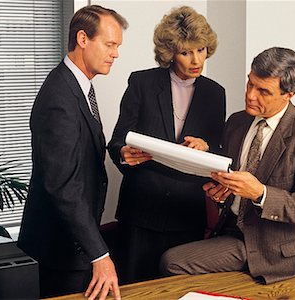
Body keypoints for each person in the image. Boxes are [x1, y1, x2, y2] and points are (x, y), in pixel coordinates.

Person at [160, 47, 295, 284]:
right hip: (230, 230)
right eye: (250, 84)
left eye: (263, 91)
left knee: (172, 261)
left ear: (288, 94)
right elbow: (231, 173)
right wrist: (219, 190)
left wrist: (261, 194)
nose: (251, 95)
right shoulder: (237, 122)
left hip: (272, 248)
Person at [107, 6, 226, 284]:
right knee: (135, 288)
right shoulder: (142, 83)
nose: (196, 60)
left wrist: (207, 148)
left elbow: (220, 152)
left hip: (188, 213)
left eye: (201, 50)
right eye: (186, 52)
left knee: (180, 290)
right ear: (170, 53)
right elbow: (116, 140)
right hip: (141, 211)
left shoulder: (215, 93)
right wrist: (124, 154)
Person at [17, 5, 128, 299]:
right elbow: (63, 185)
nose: (115, 53)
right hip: (62, 246)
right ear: (82, 39)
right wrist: (99, 255)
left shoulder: (78, 88)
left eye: (117, 46)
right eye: (109, 44)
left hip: (74, 242)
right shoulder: (59, 97)